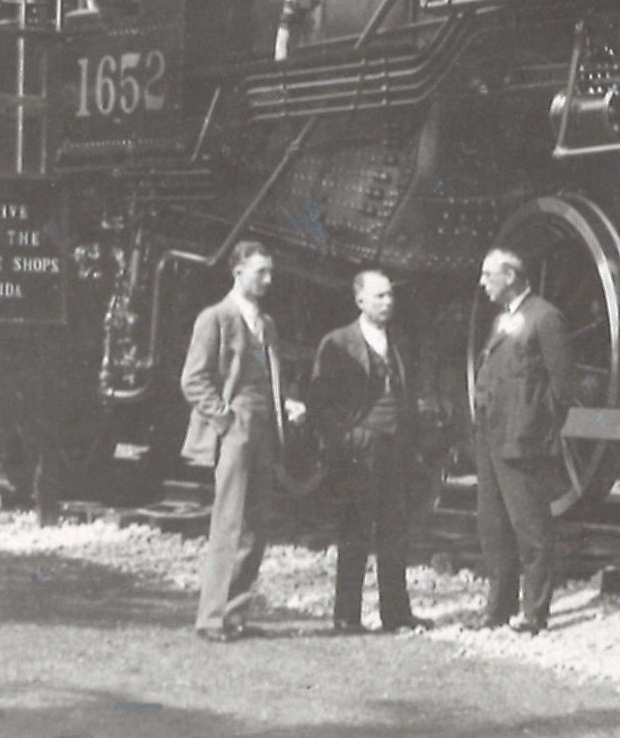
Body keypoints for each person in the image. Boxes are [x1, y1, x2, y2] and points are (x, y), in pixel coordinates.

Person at [180, 240, 306, 642]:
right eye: (260, 272)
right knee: (228, 523)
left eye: (270, 272)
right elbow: (193, 380)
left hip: (264, 429)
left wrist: (285, 403)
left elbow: (269, 377)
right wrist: (224, 418)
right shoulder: (215, 318)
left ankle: (235, 614)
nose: (268, 280)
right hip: (236, 429)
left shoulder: (265, 324)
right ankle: (211, 618)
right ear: (237, 273)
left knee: (256, 523)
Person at [309, 268, 434, 635]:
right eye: (379, 296)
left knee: (395, 531)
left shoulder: (399, 341)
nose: (388, 302)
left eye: (390, 295)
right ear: (359, 300)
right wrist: (348, 437)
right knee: (355, 531)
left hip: (396, 447)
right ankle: (347, 615)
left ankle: (395, 613)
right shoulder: (338, 342)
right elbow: (320, 402)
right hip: (359, 452)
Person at [470, 247, 574, 633]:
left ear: (510, 275)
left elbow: (562, 387)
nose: (483, 283)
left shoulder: (545, 318)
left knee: (531, 528)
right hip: (492, 437)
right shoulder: (504, 320)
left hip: (521, 440)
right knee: (493, 526)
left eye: (488, 275)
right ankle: (498, 609)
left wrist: (535, 428)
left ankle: (534, 612)